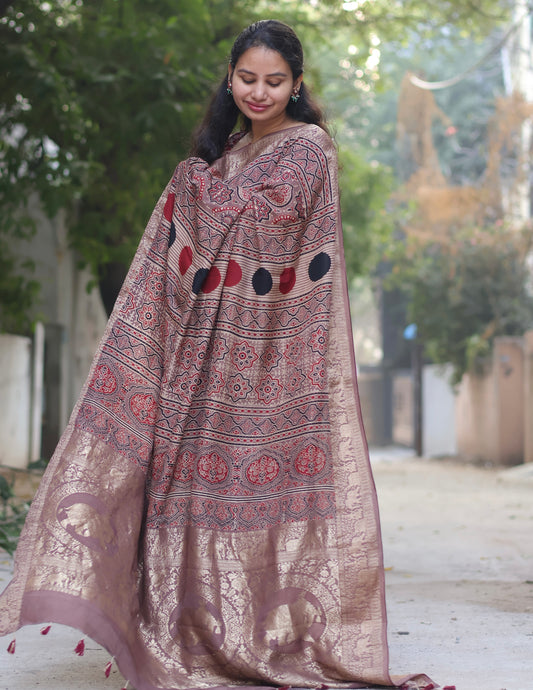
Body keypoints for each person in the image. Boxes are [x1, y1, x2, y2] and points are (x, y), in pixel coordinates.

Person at [0, 20, 432, 690]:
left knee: (249, 501)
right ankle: (184, 625)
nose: (259, 92)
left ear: (296, 84)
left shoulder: (308, 147)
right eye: (247, 78)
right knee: (184, 492)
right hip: (197, 359)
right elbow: (195, 252)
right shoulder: (228, 151)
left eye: (274, 81)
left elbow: (268, 225)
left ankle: (249, 636)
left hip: (268, 362)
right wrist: (198, 183)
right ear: (229, 79)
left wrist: (192, 186)